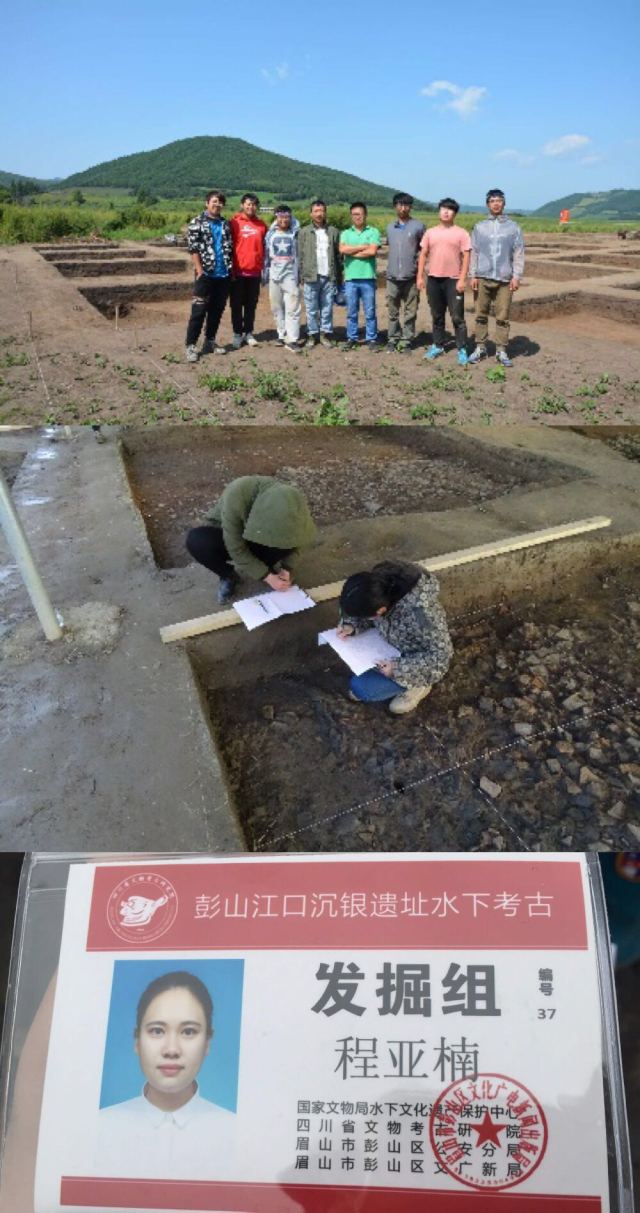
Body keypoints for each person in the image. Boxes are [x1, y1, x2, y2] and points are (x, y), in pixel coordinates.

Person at [95, 971, 236, 1179]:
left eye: (188, 1032)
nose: (171, 1049)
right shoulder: (100, 1127)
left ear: (207, 1043)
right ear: (137, 1041)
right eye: (157, 1031)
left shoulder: (234, 1132)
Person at [337, 560, 453, 714]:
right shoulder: (377, 586)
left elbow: (441, 658)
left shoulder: (423, 615)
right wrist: (351, 625)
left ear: (381, 611)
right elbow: (363, 609)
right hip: (388, 645)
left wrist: (398, 669)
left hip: (412, 660)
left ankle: (419, 686)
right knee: (358, 685)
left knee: (362, 689)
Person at [186, 475, 317, 604]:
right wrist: (267, 577)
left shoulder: (293, 503)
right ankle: (228, 576)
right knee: (198, 541)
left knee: (284, 542)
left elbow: (302, 539)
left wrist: (287, 568)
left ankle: (264, 566)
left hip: (259, 537)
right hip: (231, 533)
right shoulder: (237, 494)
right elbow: (235, 547)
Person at [469, 189, 525, 368]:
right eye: (492, 201)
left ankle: (501, 349)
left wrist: (516, 276)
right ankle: (481, 347)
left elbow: (518, 253)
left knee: (503, 317)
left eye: (499, 200)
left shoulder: (513, 227)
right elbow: (474, 252)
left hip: (504, 278)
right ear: (487, 204)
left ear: (504, 204)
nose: (496, 203)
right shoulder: (479, 227)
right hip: (483, 277)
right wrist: (473, 274)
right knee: (480, 315)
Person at [417, 198, 471, 365]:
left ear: (455, 213)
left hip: (453, 280)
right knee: (437, 315)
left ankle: (462, 347)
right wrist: (420, 276)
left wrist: (463, 279)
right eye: (443, 209)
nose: (446, 212)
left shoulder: (461, 233)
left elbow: (467, 256)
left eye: (450, 209)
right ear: (439, 211)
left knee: (457, 317)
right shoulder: (430, 232)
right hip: (433, 279)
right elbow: (423, 254)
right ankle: (438, 345)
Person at [185, 190, 233, 363]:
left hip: (223, 274)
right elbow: (193, 248)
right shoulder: (196, 222)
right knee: (198, 310)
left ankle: (209, 341)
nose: (217, 204)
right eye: (214, 201)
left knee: (216, 310)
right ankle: (191, 345)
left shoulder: (224, 223)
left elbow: (229, 247)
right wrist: (199, 270)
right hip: (205, 274)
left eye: (220, 202)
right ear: (207, 203)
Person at [298, 200, 343, 348]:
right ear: (311, 214)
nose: (319, 214)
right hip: (310, 276)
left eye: (321, 211)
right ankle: (312, 335)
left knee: (327, 307)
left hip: (328, 276)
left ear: (325, 213)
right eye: (316, 211)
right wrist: (300, 276)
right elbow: (300, 255)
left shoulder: (334, 232)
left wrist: (339, 277)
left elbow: (338, 256)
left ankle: (325, 334)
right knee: (311, 308)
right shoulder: (304, 232)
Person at [385, 193, 425, 352]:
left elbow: (423, 250)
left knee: (410, 311)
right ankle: (393, 338)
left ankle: (407, 339)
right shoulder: (389, 227)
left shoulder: (418, 226)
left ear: (410, 207)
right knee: (392, 310)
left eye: (406, 205)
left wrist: (419, 274)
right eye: (400, 205)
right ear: (395, 206)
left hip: (411, 277)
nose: (403, 208)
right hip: (392, 277)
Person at [339, 202, 382, 351]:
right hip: (350, 278)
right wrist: (363, 246)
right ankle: (352, 338)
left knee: (370, 311)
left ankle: (371, 338)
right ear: (351, 216)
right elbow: (343, 249)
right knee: (351, 311)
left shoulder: (373, 231)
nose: (358, 217)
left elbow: (372, 252)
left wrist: (353, 252)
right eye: (355, 214)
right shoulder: (345, 233)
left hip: (368, 277)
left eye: (360, 214)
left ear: (365, 214)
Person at [229, 193, 268, 349]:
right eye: (248, 204)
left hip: (255, 272)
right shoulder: (234, 223)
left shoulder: (261, 225)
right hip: (237, 272)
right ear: (242, 205)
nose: (251, 207)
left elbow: (265, 247)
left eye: (253, 204)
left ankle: (249, 332)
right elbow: (228, 247)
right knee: (236, 305)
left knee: (251, 305)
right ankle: (238, 333)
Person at [262, 205, 302, 353]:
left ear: (291, 217)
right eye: (281, 216)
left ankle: (292, 339)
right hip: (274, 276)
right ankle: (281, 334)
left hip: (290, 276)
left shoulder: (296, 233)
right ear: (276, 217)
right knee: (276, 307)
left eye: (287, 217)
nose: (284, 219)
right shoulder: (270, 234)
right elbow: (266, 256)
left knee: (293, 308)